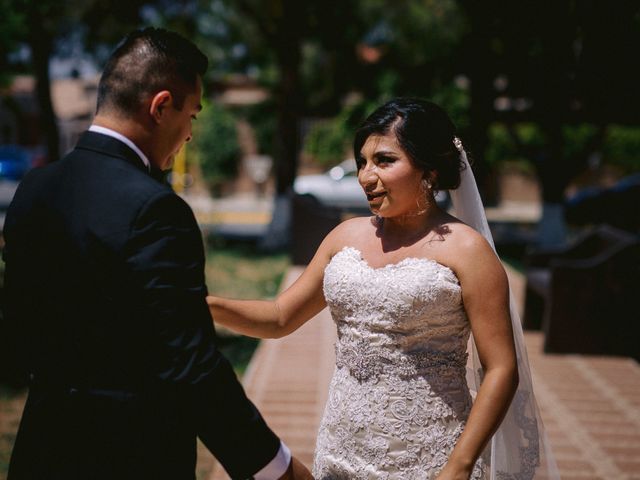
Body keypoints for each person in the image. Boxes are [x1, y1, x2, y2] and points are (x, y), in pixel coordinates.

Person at [2, 28, 311, 480]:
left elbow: (18, 332)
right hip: (132, 457)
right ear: (161, 106)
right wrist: (274, 469)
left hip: (40, 450)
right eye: (192, 115)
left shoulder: (34, 190)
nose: (189, 134)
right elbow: (192, 365)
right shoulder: (155, 209)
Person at [208, 98, 558, 479]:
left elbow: (501, 367)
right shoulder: (344, 236)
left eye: (384, 161)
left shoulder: (467, 249)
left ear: (429, 170)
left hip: (429, 453)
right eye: (362, 162)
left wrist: (459, 465)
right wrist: (205, 305)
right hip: (343, 444)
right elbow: (279, 318)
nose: (365, 176)